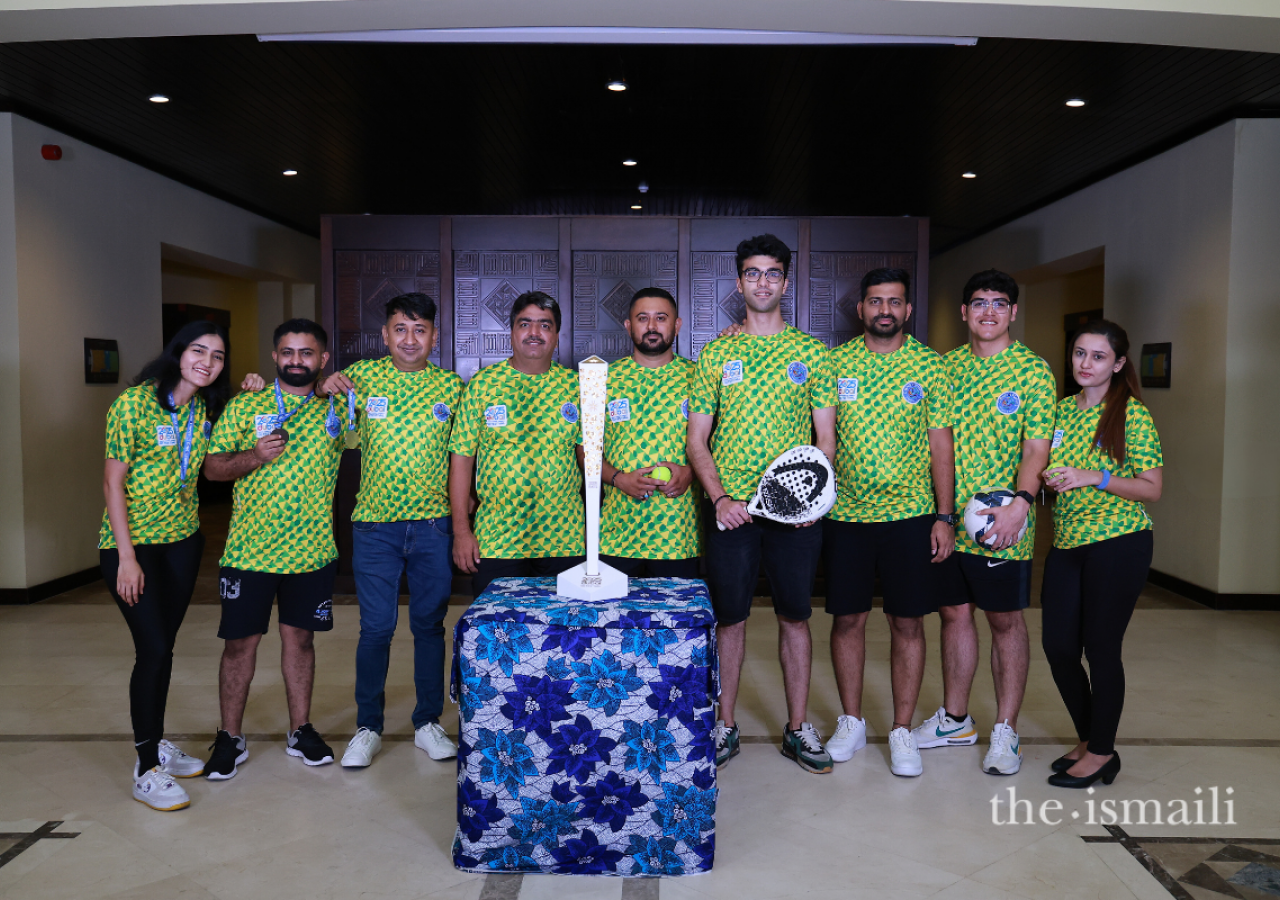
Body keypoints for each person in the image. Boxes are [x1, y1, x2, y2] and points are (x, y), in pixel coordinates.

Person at [687, 233, 837, 774]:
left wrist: (813, 496)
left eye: (773, 273)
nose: (763, 282)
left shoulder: (810, 353)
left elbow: (825, 438)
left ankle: (797, 729)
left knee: (796, 618)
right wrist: (721, 498)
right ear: (738, 282)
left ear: (785, 281)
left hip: (795, 516)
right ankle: (725, 724)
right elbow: (697, 440)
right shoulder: (718, 352)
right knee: (731, 619)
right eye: (753, 273)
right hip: (735, 512)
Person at [916, 269, 1055, 776]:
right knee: (954, 614)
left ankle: (1006, 730)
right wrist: (944, 515)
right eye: (979, 303)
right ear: (963, 312)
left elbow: (1036, 448)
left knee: (1005, 621)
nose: (989, 311)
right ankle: (955, 719)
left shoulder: (1033, 372)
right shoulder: (943, 368)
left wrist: (1022, 503)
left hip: (1004, 523)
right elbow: (939, 443)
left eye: (999, 303)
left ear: (1013, 312)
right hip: (951, 520)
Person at [317, 293, 463, 769]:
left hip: (432, 526)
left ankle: (427, 722)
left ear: (434, 337)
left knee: (428, 626)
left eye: (420, 330)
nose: (409, 339)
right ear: (385, 334)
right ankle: (368, 727)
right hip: (375, 527)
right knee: (376, 628)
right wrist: (324, 388)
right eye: (401, 329)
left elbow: (465, 457)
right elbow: (328, 428)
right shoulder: (359, 379)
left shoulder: (452, 387)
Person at [820, 269, 957, 777]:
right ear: (861, 309)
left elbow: (941, 446)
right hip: (847, 515)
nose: (884, 310)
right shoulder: (834, 364)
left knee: (908, 621)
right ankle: (851, 722)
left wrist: (944, 516)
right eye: (875, 301)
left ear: (907, 309)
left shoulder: (930, 366)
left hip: (911, 516)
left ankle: (902, 730)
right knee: (848, 619)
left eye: (894, 302)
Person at [101, 322, 236, 811]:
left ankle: (154, 740)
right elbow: (112, 484)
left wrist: (255, 386)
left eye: (218, 356)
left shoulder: (204, 408)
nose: (207, 361)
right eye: (198, 351)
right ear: (177, 353)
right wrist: (127, 557)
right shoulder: (134, 404)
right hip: (133, 547)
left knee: (164, 647)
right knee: (153, 648)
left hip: (182, 541)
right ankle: (145, 766)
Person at [202, 318, 345, 779]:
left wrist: (333, 388)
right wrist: (254, 457)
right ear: (274, 356)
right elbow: (212, 469)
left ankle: (300, 729)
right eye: (288, 352)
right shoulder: (248, 404)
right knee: (239, 646)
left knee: (299, 641)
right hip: (249, 553)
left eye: (307, 353)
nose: (296, 361)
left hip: (311, 552)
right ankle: (229, 736)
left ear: (321, 360)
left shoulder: (338, 408)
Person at [1040, 320, 1162, 788]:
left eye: (1097, 356)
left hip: (1119, 542)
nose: (1085, 364)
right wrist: (1055, 479)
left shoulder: (1131, 414)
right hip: (1069, 542)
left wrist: (1096, 477)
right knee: (1058, 646)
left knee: (1102, 649)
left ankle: (1102, 751)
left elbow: (1152, 490)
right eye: (1079, 354)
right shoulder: (1062, 410)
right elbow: (1054, 466)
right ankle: (1091, 737)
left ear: (1118, 363)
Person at [449, 291, 585, 596]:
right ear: (512, 332)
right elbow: (461, 461)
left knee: (563, 635)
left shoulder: (575, 386)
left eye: (545, 325)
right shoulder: (483, 385)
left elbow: (588, 458)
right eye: (525, 324)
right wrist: (461, 531)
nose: (534, 333)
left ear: (557, 336)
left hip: (564, 538)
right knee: (496, 634)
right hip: (497, 540)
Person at [599, 287, 700, 578]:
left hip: (678, 535)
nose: (652, 327)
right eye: (643, 318)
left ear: (677, 325)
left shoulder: (699, 377)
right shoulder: (604, 379)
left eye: (661, 318)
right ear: (629, 326)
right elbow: (584, 448)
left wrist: (690, 472)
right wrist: (619, 479)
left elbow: (719, 440)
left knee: (678, 622)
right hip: (617, 534)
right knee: (613, 621)